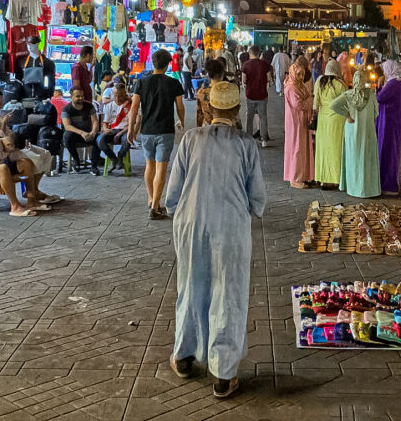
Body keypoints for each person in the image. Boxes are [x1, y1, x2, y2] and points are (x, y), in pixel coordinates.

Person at [164, 81, 266, 399]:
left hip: (191, 223)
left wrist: (178, 211)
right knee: (228, 293)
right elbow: (258, 199)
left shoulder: (191, 140)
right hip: (230, 227)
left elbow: (172, 195)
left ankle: (183, 355)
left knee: (191, 287)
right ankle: (223, 373)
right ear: (237, 110)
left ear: (208, 108)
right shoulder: (246, 144)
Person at [128, 49, 186, 220]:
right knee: (161, 167)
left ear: (153, 63)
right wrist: (181, 120)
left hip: (147, 130)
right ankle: (155, 206)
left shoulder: (141, 82)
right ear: (168, 64)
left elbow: (134, 107)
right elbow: (180, 106)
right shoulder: (173, 83)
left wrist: (131, 129)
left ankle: (151, 198)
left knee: (149, 165)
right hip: (166, 130)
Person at [330, 69, 381, 198]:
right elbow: (376, 113)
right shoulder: (371, 95)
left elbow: (333, 105)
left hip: (352, 131)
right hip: (367, 131)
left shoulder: (348, 95)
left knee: (353, 157)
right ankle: (367, 189)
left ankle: (353, 188)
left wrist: (347, 114)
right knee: (367, 158)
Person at [377, 59, 401, 196]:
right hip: (393, 121)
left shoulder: (394, 83)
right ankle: (389, 183)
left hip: (389, 122)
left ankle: (389, 185)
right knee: (391, 151)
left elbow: (380, 98)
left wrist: (379, 86)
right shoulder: (400, 82)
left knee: (387, 152)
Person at [313, 59, 347, 189]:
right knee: (336, 149)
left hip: (323, 120)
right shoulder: (340, 84)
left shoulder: (319, 81)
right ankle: (336, 179)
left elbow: (315, 104)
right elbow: (345, 104)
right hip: (337, 120)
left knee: (323, 149)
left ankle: (323, 179)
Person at [283, 61, 314, 188]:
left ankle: (303, 174)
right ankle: (295, 177)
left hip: (301, 120)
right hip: (296, 121)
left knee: (303, 147)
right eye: (299, 75)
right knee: (297, 147)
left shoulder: (298, 85)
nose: (301, 77)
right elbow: (299, 104)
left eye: (303, 75)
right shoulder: (291, 87)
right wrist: (311, 100)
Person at [61, 88, 103, 174]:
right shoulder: (66, 109)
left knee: (99, 138)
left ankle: (94, 166)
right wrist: (82, 133)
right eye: (77, 96)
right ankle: (76, 160)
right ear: (71, 97)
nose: (81, 98)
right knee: (67, 136)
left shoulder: (89, 106)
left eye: (82, 96)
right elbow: (67, 126)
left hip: (88, 133)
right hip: (75, 135)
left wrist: (93, 132)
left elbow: (95, 121)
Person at [241, 46, 273, 146]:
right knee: (263, 117)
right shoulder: (265, 64)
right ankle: (264, 140)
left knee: (249, 117)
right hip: (262, 94)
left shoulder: (245, 65)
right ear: (259, 54)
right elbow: (268, 78)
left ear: (250, 54)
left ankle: (249, 139)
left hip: (250, 94)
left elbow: (244, 80)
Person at [97, 83, 132, 167]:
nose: (117, 98)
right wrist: (105, 129)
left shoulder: (130, 105)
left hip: (125, 130)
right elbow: (105, 122)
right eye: (115, 95)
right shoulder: (109, 105)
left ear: (125, 94)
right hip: (113, 129)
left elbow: (132, 123)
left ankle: (120, 156)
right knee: (99, 139)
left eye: (120, 95)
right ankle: (113, 158)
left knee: (127, 140)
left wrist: (119, 134)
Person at [196, 59, 234, 127]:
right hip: (227, 128)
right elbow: (235, 115)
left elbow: (200, 114)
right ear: (222, 73)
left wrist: (199, 129)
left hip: (208, 128)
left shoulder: (201, 92)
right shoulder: (230, 91)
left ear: (209, 74)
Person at [19, 35, 56, 100]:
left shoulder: (48, 63)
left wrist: (49, 96)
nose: (29, 47)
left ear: (37, 44)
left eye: (32, 44)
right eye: (28, 44)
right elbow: (19, 79)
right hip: (25, 96)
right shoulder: (22, 62)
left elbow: (51, 81)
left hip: (42, 97)